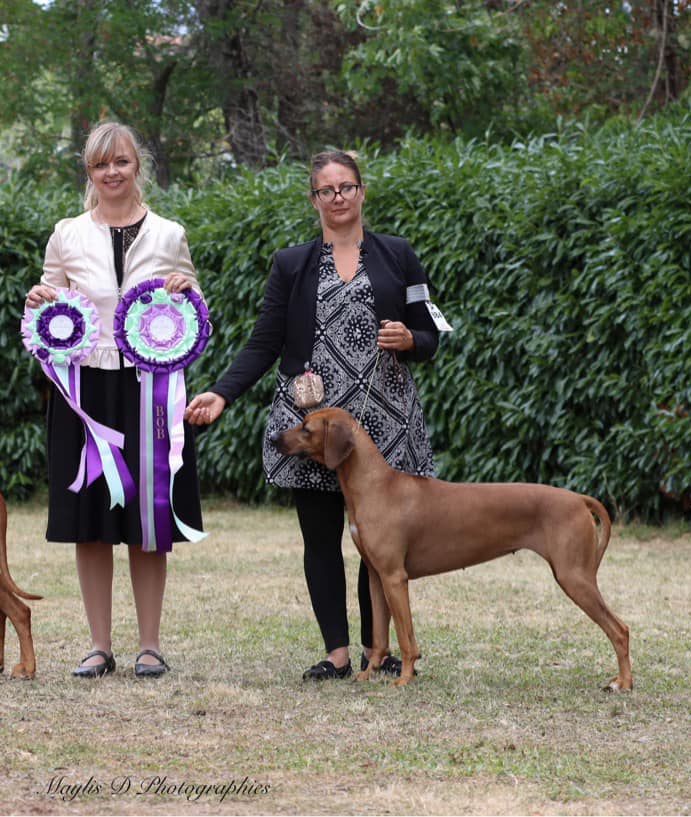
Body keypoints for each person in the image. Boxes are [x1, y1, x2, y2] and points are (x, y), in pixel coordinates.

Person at [184, 149, 441, 681]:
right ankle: (336, 653)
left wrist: (411, 338)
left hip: (383, 420)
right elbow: (265, 341)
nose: (338, 197)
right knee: (320, 537)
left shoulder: (398, 255)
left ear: (362, 191)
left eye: (346, 187)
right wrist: (223, 393)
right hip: (310, 419)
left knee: (380, 544)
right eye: (327, 190)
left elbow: (431, 332)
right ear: (314, 199)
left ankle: (379, 650)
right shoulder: (291, 263)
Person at [24, 122, 204, 679]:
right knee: (91, 520)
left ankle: (149, 645)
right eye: (101, 164)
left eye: (121, 162)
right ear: (90, 172)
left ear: (137, 166)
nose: (112, 172)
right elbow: (49, 301)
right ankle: (98, 645)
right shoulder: (67, 233)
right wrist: (39, 297)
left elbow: (197, 310)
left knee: (148, 521)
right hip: (85, 391)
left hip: (151, 389)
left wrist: (188, 293)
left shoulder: (170, 233)